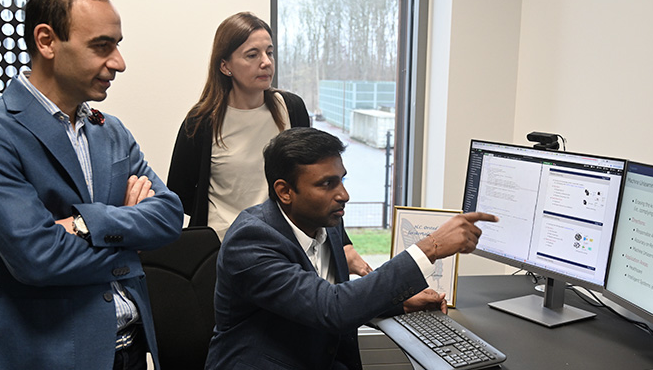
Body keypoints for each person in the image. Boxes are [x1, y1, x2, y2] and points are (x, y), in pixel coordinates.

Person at [0, 0, 183, 369]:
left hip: (133, 352)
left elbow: (170, 215)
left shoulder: (111, 131)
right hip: (54, 357)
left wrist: (83, 224)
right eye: (102, 46)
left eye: (117, 45)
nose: (119, 63)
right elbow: (38, 258)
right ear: (46, 41)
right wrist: (129, 235)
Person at [205, 128, 498, 369]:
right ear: (284, 191)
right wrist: (430, 247)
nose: (343, 195)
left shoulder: (327, 222)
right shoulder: (252, 240)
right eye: (327, 184)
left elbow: (332, 299)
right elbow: (331, 308)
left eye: (342, 179)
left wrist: (400, 303)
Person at [166, 12, 373, 276]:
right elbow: (179, 194)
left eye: (270, 53)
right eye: (252, 55)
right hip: (224, 256)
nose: (266, 63)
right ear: (225, 66)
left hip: (285, 251)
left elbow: (318, 182)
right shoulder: (201, 123)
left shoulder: (291, 109)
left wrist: (342, 243)